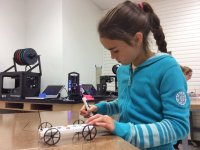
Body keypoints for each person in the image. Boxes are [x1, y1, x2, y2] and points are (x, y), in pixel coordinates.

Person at [80, 1, 190, 149]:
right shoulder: (123, 70)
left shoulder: (168, 68)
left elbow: (179, 126)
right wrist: (100, 108)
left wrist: (125, 130)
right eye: (109, 51)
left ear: (138, 39)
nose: (112, 57)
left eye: (116, 50)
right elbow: (125, 103)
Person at [173, 65, 192, 149]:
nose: (190, 78)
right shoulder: (179, 83)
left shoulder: (180, 83)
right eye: (189, 75)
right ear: (184, 74)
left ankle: (176, 145)